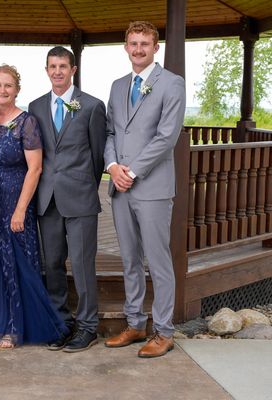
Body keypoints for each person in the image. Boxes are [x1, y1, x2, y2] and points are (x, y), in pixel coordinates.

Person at [103, 21, 185, 358]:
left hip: (151, 186)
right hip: (120, 186)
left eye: (145, 44)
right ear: (126, 46)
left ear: (156, 48)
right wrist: (112, 168)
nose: (138, 49)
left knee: (158, 260)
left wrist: (132, 171)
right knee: (129, 259)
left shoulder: (171, 84)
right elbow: (109, 133)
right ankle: (135, 323)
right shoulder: (118, 85)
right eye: (133, 43)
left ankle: (163, 331)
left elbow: (167, 137)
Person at [0, 65, 68, 350]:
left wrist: (19, 210)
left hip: (17, 200)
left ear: (17, 90)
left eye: (8, 85)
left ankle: (16, 327)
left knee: (16, 263)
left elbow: (35, 168)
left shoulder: (26, 122)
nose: (2, 90)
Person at [28, 46, 107, 353]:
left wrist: (84, 186)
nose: (57, 71)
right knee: (51, 264)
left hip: (81, 199)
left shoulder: (91, 106)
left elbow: (98, 156)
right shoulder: (35, 107)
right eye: (52, 66)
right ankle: (61, 323)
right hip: (47, 199)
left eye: (63, 66)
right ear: (46, 70)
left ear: (73, 69)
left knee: (84, 265)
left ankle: (88, 327)